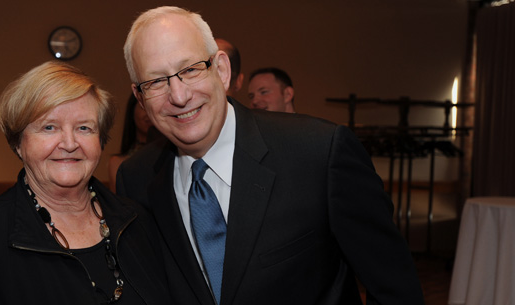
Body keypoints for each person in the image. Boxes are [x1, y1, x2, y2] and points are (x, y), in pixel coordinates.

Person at [117, 6, 424, 305]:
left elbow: (395, 289)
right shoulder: (136, 178)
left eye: (190, 69)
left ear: (222, 71)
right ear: (139, 97)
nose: (179, 96)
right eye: (156, 81)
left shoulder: (319, 153)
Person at [0, 61, 171, 304]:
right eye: (49, 127)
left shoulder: (137, 222)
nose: (69, 144)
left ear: (100, 141)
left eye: (84, 127)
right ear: (18, 142)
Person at [107, 93, 153, 192]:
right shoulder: (118, 162)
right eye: (143, 107)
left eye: (152, 107)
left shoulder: (175, 155)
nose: (148, 113)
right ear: (132, 111)